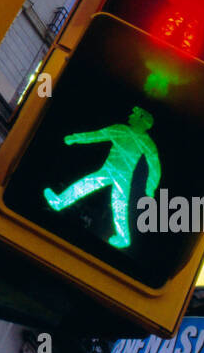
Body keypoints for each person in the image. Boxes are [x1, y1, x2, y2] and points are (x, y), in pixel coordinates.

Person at [44, 106, 160, 249]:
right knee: (93, 190)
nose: (130, 116)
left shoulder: (141, 140)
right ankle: (60, 202)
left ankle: (123, 238)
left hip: (120, 175)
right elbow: (97, 135)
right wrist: (75, 138)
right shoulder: (124, 131)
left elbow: (154, 166)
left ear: (142, 120)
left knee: (118, 204)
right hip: (110, 171)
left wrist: (150, 187)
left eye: (134, 115)